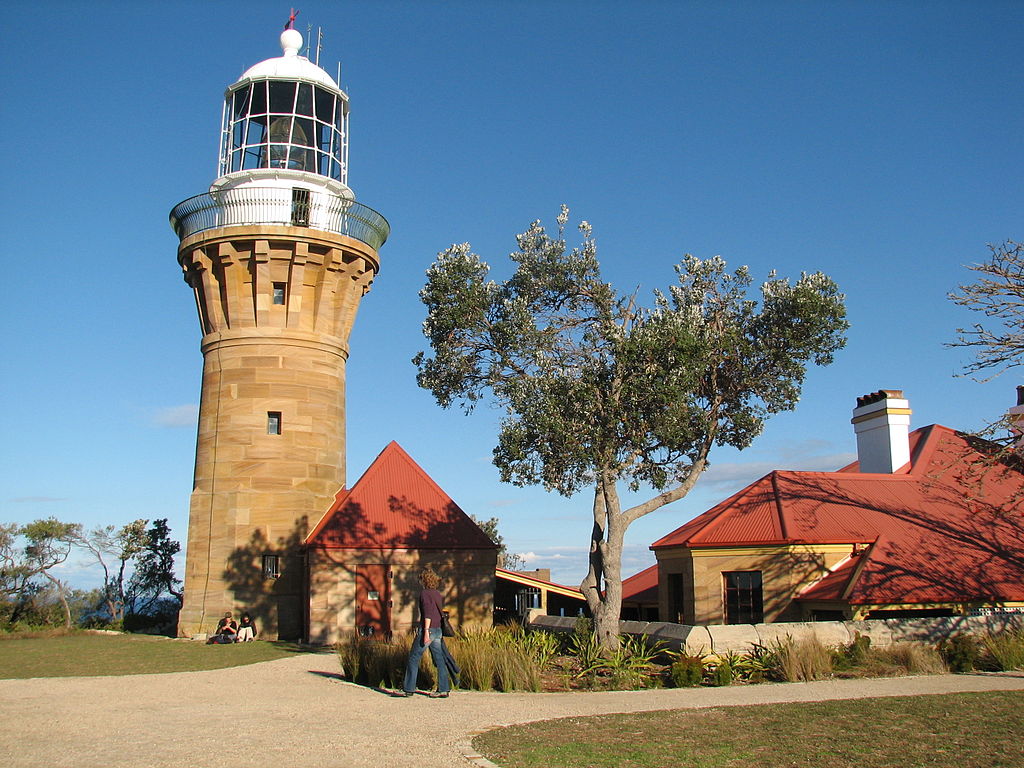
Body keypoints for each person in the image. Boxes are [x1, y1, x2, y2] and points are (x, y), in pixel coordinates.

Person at [396, 568, 450, 698]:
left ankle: (408, 688)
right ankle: (444, 689)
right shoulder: (437, 594)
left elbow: (428, 614)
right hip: (438, 630)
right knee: (439, 659)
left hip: (428, 629)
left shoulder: (425, 594)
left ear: (424, 580)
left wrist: (425, 632)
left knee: (413, 658)